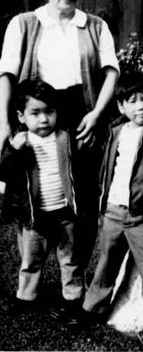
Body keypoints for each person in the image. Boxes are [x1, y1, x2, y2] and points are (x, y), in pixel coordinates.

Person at [0, 0, 120, 307]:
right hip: (36, 120)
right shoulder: (24, 23)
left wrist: (97, 114)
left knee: (79, 203)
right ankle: (29, 284)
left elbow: (111, 72)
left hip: (80, 120)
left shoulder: (95, 26)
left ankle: (74, 282)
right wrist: (5, 122)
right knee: (33, 198)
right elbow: (6, 75)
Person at [81, 72, 143, 348]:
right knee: (106, 261)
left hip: (142, 215)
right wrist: (103, 203)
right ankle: (91, 309)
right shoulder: (116, 133)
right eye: (132, 101)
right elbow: (107, 169)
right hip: (113, 211)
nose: (140, 106)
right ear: (121, 107)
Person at [0, 79, 84, 318]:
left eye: (49, 112)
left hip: (65, 211)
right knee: (31, 258)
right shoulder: (20, 142)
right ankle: (26, 296)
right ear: (21, 116)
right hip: (36, 216)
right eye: (35, 113)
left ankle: (73, 297)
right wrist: (13, 150)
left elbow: (80, 169)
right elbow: (4, 171)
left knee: (69, 257)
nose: (44, 119)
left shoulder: (65, 138)